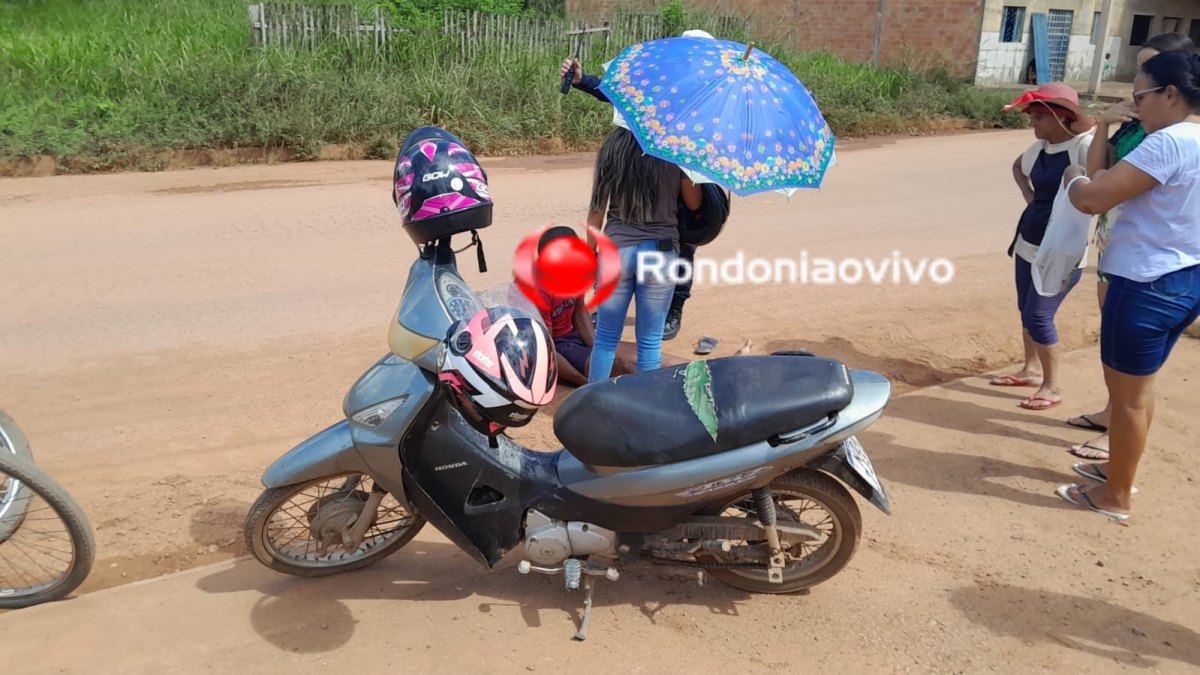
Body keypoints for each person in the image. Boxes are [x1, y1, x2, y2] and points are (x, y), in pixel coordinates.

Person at [1054, 50, 1200, 520]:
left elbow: (1092, 198)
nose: (1136, 106)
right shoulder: (1195, 139)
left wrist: (1074, 178)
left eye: (1140, 96)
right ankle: (1117, 472)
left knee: (1127, 398)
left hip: (1144, 284)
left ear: (1170, 94)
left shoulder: (1167, 142)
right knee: (1138, 391)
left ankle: (1116, 496)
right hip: (1185, 279)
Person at [557, 29, 717, 340]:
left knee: (685, 245)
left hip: (691, 171)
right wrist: (582, 80)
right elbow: (625, 94)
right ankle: (612, 304)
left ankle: (675, 307)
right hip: (656, 167)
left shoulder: (714, 99)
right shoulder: (669, 81)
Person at [989, 83, 1096, 412]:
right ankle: (1030, 370)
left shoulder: (1084, 147)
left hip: (1062, 249)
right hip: (1028, 240)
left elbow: (1100, 186)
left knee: (1039, 315)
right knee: (1026, 308)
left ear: (1060, 116)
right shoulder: (1039, 149)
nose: (1032, 123)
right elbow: (1017, 167)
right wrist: (1030, 197)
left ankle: (1052, 386)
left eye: (1038, 117)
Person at [586, 126, 702, 383]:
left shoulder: (612, 147)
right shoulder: (673, 148)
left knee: (605, 338)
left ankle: (595, 401)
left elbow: (596, 212)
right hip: (660, 251)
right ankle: (645, 403)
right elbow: (694, 203)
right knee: (650, 341)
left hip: (616, 250)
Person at [534, 226, 690, 386]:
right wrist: (583, 381)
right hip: (559, 346)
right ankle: (661, 389)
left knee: (650, 356)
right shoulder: (540, 291)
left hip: (575, 336)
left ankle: (700, 371)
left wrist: (597, 350)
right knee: (622, 367)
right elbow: (546, 348)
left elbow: (580, 314)